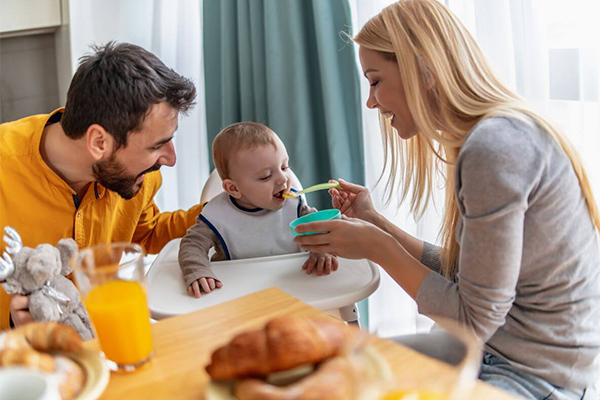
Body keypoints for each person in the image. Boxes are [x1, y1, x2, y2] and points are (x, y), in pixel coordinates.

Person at [293, 1, 600, 399]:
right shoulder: (492, 138)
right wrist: (375, 222)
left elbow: (472, 321)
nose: (371, 102)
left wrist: (378, 247)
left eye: (375, 80)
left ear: (423, 69)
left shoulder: (494, 149)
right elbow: (469, 278)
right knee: (331, 368)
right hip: (499, 356)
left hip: (531, 377)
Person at [0, 42, 202, 330]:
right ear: (98, 142)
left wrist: (226, 213)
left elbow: (145, 233)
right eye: (157, 146)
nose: (170, 159)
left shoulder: (136, 177)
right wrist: (12, 323)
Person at [179, 122, 338, 298]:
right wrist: (198, 271)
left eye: (284, 167)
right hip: (236, 294)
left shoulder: (296, 207)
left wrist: (321, 251)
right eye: (266, 176)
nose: (283, 179)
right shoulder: (217, 215)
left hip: (294, 287)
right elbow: (192, 244)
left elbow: (317, 229)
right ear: (233, 188)